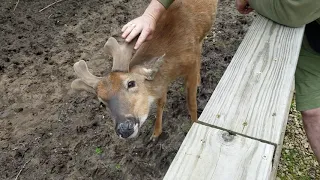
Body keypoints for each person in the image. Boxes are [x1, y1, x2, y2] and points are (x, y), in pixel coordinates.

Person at [121, 0, 320, 162]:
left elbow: (295, 12)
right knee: (313, 113)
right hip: (309, 35)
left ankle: (194, 119)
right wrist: (150, 14)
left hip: (302, 18)